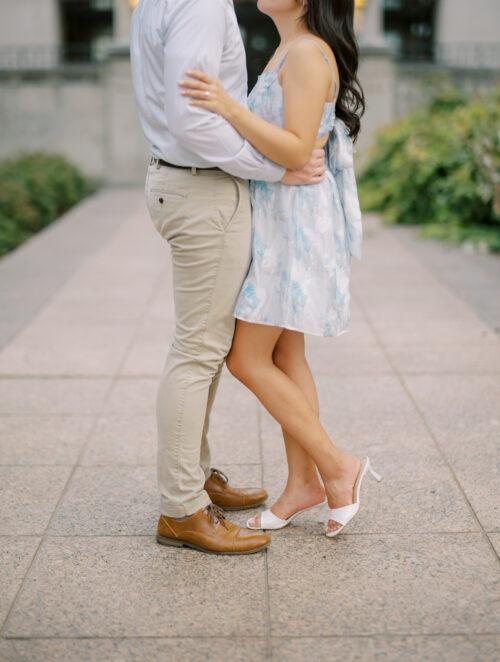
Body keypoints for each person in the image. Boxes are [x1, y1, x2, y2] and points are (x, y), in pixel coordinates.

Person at [179, 0, 382, 538]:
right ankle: (303, 484)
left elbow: (295, 151)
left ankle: (338, 467)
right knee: (286, 354)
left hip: (293, 226)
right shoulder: (286, 50)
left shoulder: (309, 54)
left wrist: (228, 106)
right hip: (279, 216)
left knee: (247, 358)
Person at [130, 0, 326, 555]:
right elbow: (193, 119)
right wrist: (271, 170)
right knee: (199, 349)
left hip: (182, 182)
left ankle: (195, 475)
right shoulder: (201, 3)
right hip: (202, 186)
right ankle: (183, 508)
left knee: (205, 346)